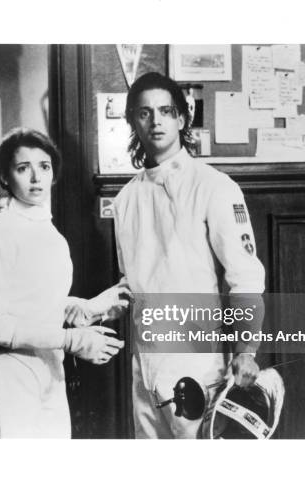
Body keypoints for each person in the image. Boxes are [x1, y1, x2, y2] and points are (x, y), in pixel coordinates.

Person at [112, 72, 265, 438]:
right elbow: (130, 282)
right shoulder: (125, 200)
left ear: (182, 119)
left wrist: (246, 349)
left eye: (166, 111)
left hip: (196, 361)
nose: (156, 120)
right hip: (144, 363)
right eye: (145, 113)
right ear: (133, 120)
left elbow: (244, 277)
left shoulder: (213, 186)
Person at [0, 128, 129, 438]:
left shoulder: (50, 233)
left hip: (50, 369)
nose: (35, 177)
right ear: (4, 177)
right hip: (10, 372)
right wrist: (73, 340)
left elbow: (35, 302)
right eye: (22, 168)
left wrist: (89, 308)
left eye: (43, 166)